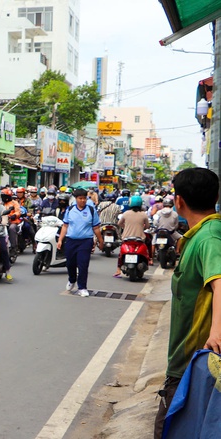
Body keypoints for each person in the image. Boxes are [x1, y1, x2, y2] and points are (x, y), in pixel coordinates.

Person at [153, 168, 221, 439]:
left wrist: (216, 332)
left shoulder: (209, 238)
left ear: (179, 201)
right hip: (191, 365)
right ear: (215, 196)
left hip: (196, 367)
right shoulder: (203, 234)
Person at [56, 189, 104, 297]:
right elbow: (65, 226)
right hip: (71, 240)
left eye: (84, 198)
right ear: (76, 199)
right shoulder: (70, 209)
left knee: (83, 264)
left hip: (86, 241)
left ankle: (82, 287)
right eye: (80, 198)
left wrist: (101, 241)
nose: (82, 200)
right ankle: (72, 279)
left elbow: (96, 228)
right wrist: (60, 240)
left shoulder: (91, 211)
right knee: (70, 263)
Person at [113, 195, 151, 277]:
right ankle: (150, 259)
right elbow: (147, 226)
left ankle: (118, 269)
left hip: (127, 238)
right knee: (149, 242)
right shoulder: (143, 214)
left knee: (120, 254)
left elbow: (119, 223)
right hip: (140, 239)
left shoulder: (126, 213)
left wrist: (125, 227)